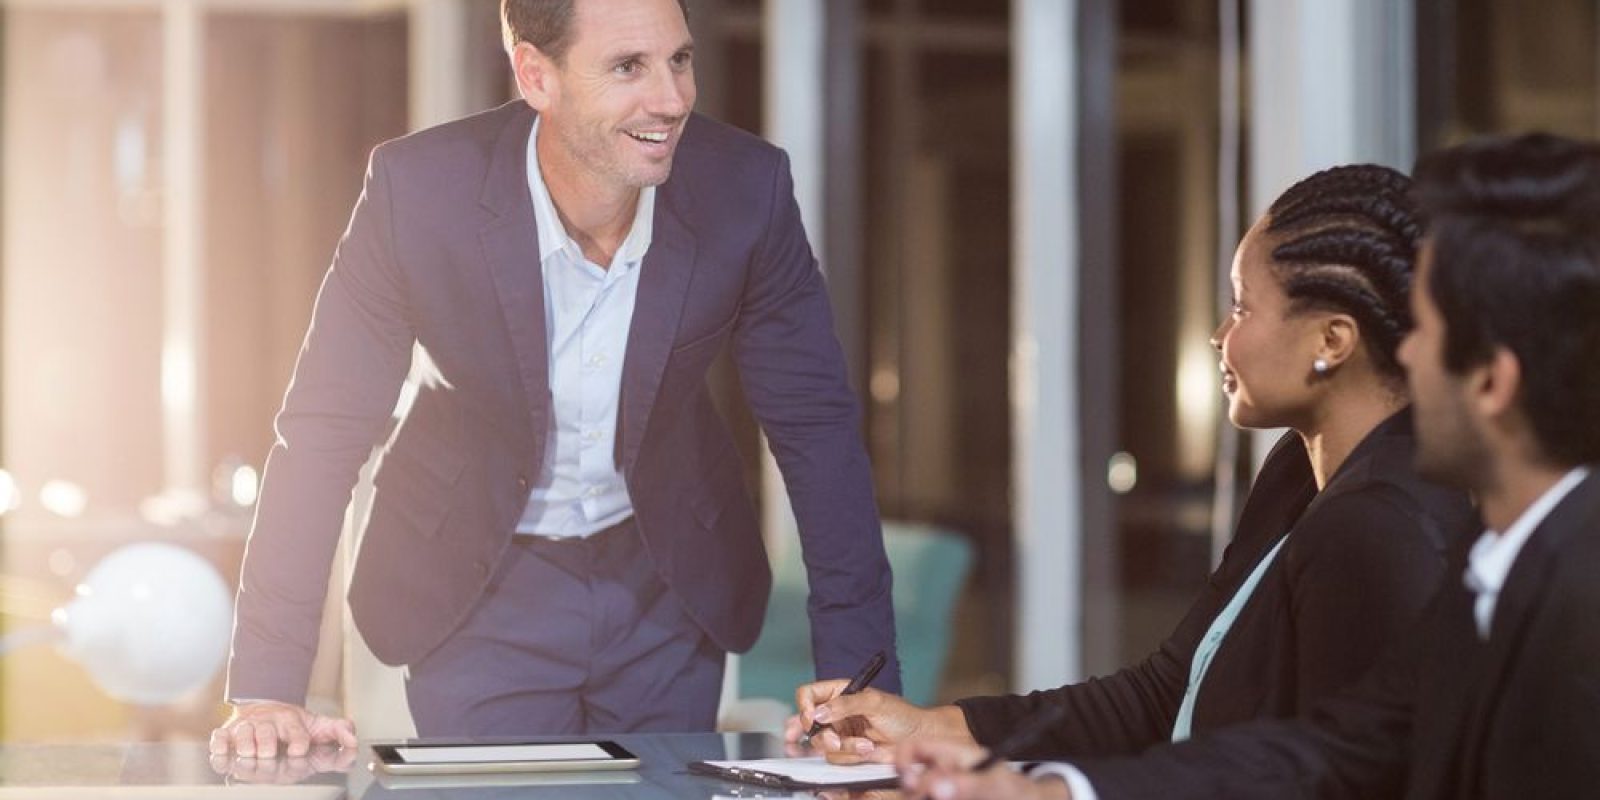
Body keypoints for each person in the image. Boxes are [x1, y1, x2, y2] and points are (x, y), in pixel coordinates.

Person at [209, 0, 900, 758]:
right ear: (536, 74)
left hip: (665, 579)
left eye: (679, 60)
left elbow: (816, 431)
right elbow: (323, 431)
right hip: (478, 581)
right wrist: (270, 684)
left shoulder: (746, 190)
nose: (670, 99)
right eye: (628, 67)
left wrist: (862, 681)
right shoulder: (418, 193)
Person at [893, 132, 1600, 800]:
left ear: (1491, 382)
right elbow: (1332, 751)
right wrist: (1044, 789)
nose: (1405, 353)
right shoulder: (1500, 563)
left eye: (1428, 333)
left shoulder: (1569, 599)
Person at [789, 165, 1474, 765]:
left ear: (1332, 340)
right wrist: (931, 729)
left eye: (1241, 307)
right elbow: (1165, 692)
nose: (1219, 335)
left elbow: (1334, 780)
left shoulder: (1382, 528)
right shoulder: (1298, 474)